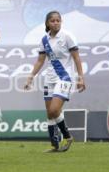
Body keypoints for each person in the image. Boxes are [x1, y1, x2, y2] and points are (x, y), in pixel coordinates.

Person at [24, 11, 86, 152]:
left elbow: (76, 58)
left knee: (54, 110)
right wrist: (31, 76)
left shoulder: (67, 36)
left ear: (61, 22)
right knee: (49, 113)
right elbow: (40, 61)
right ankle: (55, 145)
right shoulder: (44, 40)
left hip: (64, 77)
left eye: (58, 20)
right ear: (47, 23)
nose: (56, 23)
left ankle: (68, 136)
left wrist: (80, 77)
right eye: (53, 21)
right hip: (49, 78)